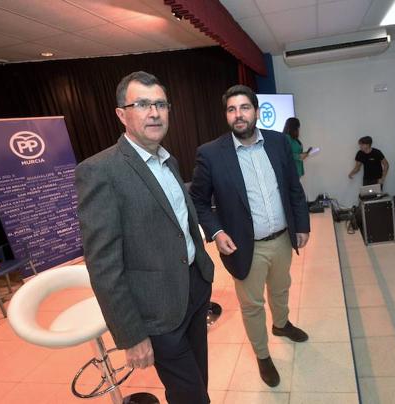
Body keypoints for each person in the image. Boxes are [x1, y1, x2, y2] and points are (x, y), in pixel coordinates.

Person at [75, 71, 214, 404]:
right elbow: (104, 266)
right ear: (122, 115)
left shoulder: (170, 160)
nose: (154, 112)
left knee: (198, 381)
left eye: (161, 104)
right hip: (157, 311)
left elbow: (179, 224)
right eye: (142, 104)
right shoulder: (100, 171)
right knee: (192, 396)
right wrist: (131, 335)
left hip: (195, 288)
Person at [190, 85, 310, 388]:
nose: (238, 115)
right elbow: (199, 202)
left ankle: (281, 325)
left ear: (256, 112)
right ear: (226, 115)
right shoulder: (211, 154)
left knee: (282, 289)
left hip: (282, 239)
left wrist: (302, 225)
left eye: (244, 108)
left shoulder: (279, 142)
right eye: (231, 109)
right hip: (245, 247)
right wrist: (216, 232)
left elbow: (293, 188)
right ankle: (262, 355)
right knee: (253, 305)